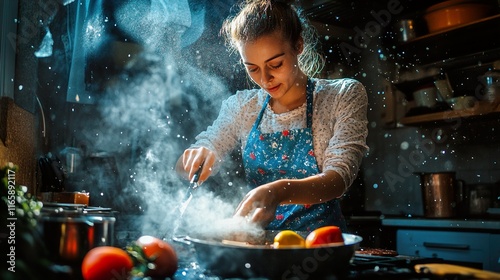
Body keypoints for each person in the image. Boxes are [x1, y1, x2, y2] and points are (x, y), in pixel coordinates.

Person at [175, 0, 368, 232]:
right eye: (253, 68)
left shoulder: (342, 95)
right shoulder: (242, 106)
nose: (265, 80)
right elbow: (203, 149)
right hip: (261, 248)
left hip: (320, 247)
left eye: (275, 64)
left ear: (298, 45)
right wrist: (197, 156)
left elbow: (338, 179)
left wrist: (277, 191)